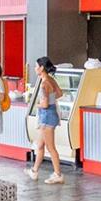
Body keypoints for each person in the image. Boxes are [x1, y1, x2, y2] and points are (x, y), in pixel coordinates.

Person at [30, 56, 65, 184]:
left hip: (46, 117)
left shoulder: (44, 84)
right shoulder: (51, 79)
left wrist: (36, 104)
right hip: (52, 114)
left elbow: (44, 105)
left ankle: (58, 174)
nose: (35, 68)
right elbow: (60, 93)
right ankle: (34, 170)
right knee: (40, 145)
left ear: (42, 68)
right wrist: (50, 99)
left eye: (36, 66)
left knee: (50, 147)